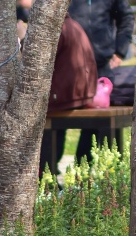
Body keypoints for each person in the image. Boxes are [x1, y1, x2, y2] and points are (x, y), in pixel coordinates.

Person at [67, 0, 134, 162]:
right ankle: (49, 174)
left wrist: (119, 51)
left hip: (103, 64)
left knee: (103, 120)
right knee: (61, 118)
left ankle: (98, 171)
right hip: (69, 66)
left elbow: (126, 18)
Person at [39, 14, 97, 177]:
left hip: (66, 95)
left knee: (42, 118)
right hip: (83, 93)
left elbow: (35, 58)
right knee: (54, 124)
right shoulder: (72, 24)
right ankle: (58, 168)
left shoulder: (57, 28)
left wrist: (23, 38)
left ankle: (45, 173)